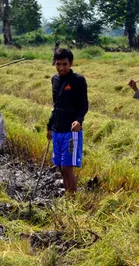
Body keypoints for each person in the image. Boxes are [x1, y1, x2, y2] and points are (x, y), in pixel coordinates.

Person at [46, 48, 88, 194]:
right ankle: (68, 194)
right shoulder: (54, 80)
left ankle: (73, 199)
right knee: (59, 166)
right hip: (57, 129)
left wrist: (79, 120)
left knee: (67, 167)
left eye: (64, 64)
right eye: (58, 64)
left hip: (71, 131)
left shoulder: (78, 80)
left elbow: (84, 105)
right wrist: (49, 127)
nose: (61, 68)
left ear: (71, 63)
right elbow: (55, 106)